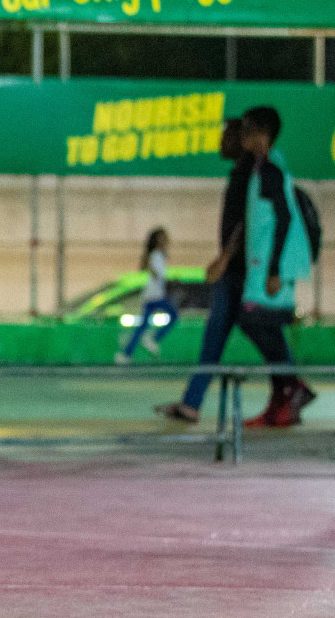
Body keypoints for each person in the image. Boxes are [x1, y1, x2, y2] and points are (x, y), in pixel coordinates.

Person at [155, 119, 312, 423]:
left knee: (245, 327)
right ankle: (284, 392)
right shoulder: (248, 173)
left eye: (229, 136)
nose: (221, 142)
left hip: (243, 272)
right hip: (242, 270)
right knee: (225, 334)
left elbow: (250, 222)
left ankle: (290, 387)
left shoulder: (255, 175)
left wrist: (227, 258)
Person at [234, 106, 316, 428]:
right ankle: (282, 402)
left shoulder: (270, 171)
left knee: (251, 319)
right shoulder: (263, 169)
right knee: (265, 327)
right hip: (265, 265)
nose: (242, 136)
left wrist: (274, 270)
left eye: (248, 129)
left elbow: (283, 219)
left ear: (263, 134)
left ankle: (292, 385)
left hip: (269, 268)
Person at [116, 228, 177, 363]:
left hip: (153, 295)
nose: (165, 240)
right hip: (154, 296)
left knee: (142, 326)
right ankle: (152, 339)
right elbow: (155, 273)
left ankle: (126, 354)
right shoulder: (155, 255)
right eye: (162, 237)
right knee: (173, 315)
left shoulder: (159, 255)